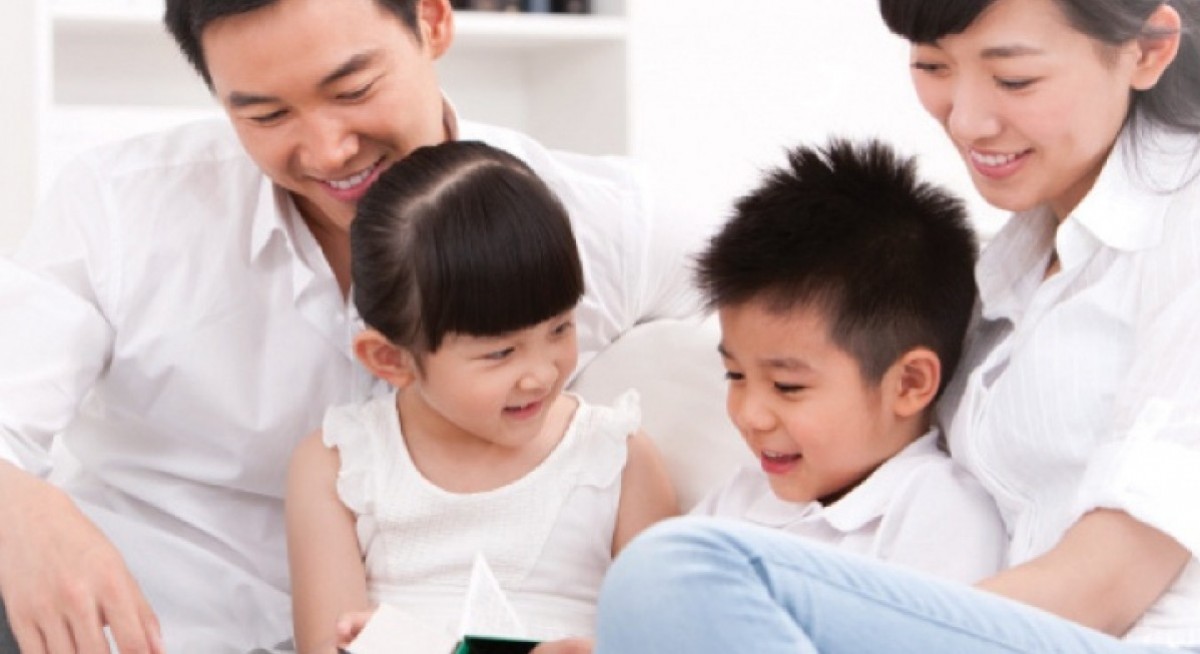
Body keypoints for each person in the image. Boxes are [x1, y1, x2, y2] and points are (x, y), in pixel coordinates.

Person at [0, 0, 701, 651]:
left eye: (353, 90)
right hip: (139, 626)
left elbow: (763, 334)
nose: (329, 150)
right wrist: (18, 506)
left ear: (433, 20)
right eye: (267, 115)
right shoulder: (120, 207)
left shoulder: (596, 219)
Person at [592, 0, 1200, 651]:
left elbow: (1106, 588)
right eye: (932, 65)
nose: (965, 121)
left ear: (1148, 49)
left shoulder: (1183, 235)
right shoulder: (1016, 258)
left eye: (1014, 78)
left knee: (684, 571)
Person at [285, 140, 677, 654]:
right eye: (500, 353)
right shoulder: (341, 463)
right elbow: (328, 644)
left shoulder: (616, 457)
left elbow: (668, 639)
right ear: (391, 359)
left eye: (560, 328)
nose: (540, 375)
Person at [687, 137, 1004, 584]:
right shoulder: (739, 499)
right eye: (734, 375)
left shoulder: (938, 513)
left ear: (909, 383)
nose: (749, 415)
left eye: (787, 386)